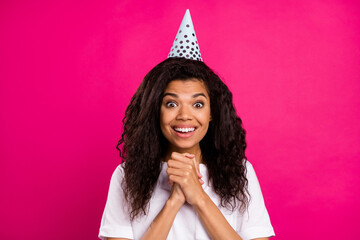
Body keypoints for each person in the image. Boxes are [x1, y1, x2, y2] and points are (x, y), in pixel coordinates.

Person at [99, 10, 274, 240]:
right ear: (156, 111)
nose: (185, 115)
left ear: (213, 113)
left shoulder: (241, 173)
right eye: (171, 103)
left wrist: (198, 196)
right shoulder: (126, 177)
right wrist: (174, 201)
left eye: (198, 104)